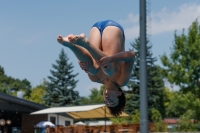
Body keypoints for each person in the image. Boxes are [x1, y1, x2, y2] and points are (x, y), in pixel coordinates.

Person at [57, 20, 135, 117]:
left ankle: (71, 45)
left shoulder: (96, 78)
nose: (107, 100)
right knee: (109, 70)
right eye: (112, 102)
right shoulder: (121, 80)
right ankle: (85, 43)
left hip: (96, 29)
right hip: (113, 29)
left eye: (107, 102)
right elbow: (132, 55)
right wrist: (111, 59)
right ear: (119, 93)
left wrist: (83, 64)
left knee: (93, 69)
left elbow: (86, 60)